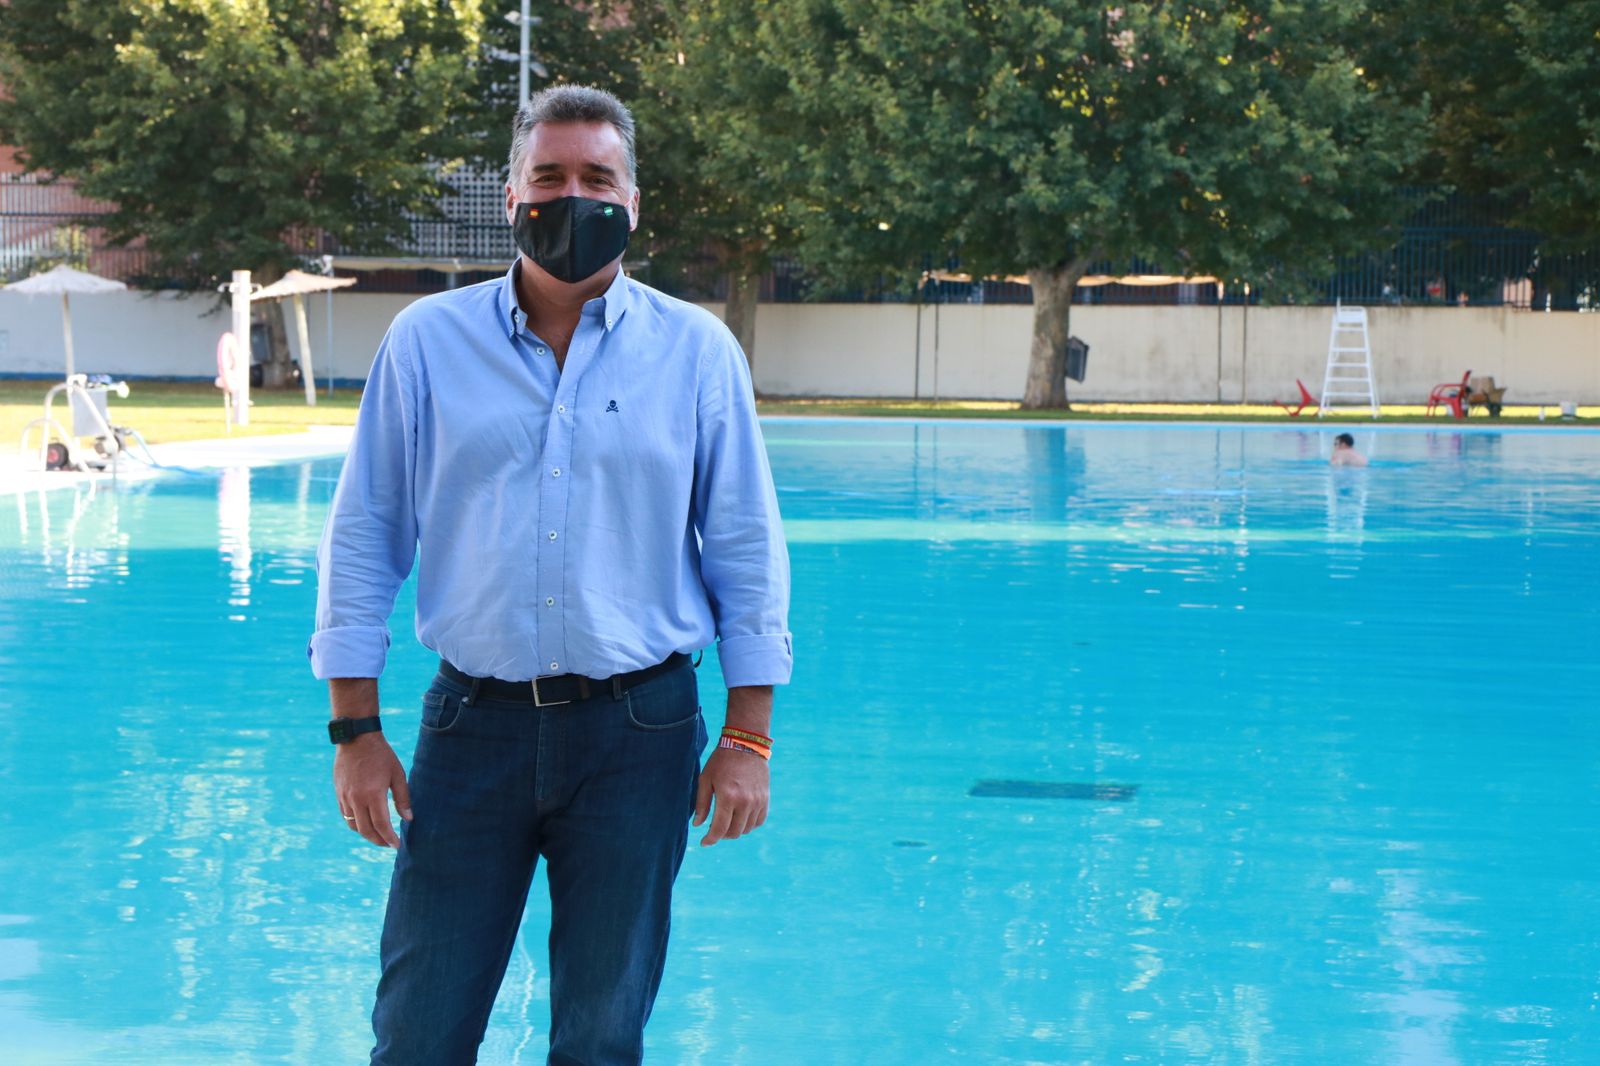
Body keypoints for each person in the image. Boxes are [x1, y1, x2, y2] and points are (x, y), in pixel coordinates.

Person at [308, 85, 792, 1066]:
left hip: (638, 731)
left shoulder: (695, 352)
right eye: (550, 176)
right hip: (470, 728)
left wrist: (749, 735)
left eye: (597, 177)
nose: (573, 195)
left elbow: (742, 543)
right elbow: (365, 537)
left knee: (601, 1033)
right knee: (417, 1028)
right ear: (510, 196)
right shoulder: (426, 345)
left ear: (633, 199)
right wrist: (354, 728)